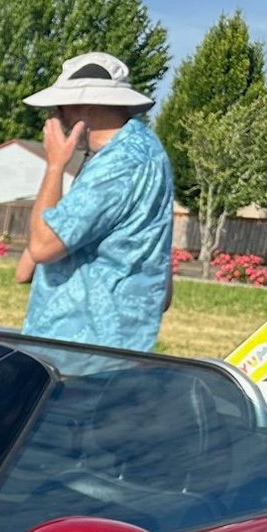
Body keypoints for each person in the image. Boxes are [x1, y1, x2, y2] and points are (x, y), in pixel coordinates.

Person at [13, 51, 174, 353]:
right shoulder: (141, 152)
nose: (55, 118)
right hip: (106, 348)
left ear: (84, 105)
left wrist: (55, 165)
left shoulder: (121, 164)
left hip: (82, 352)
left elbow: (42, 247)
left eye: (59, 108)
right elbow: (24, 269)